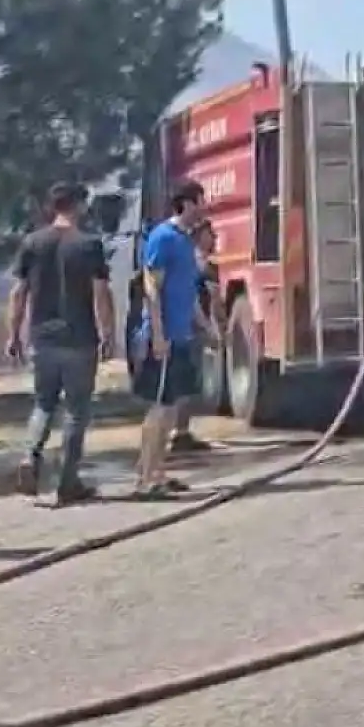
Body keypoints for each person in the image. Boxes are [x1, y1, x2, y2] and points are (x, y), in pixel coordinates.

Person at [7, 182, 114, 506]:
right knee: (77, 412)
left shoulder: (32, 243)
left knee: (43, 403)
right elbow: (101, 293)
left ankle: (30, 455)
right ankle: (68, 482)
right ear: (79, 205)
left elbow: (18, 292)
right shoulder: (89, 244)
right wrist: (108, 332)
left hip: (42, 337)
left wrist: (13, 333)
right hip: (79, 338)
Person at [131, 180, 213, 498]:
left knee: (171, 409)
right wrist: (158, 335)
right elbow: (152, 287)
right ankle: (145, 479)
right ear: (188, 203)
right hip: (162, 338)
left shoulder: (185, 242)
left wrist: (206, 327)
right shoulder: (162, 237)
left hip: (181, 336)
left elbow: (189, 293)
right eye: (201, 202)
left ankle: (158, 473)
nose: (204, 209)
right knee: (160, 409)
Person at [170, 220, 224, 454]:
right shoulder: (197, 264)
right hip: (191, 330)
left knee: (190, 385)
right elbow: (196, 300)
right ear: (199, 236)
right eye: (210, 234)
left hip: (188, 328)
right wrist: (208, 328)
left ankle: (181, 432)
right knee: (187, 385)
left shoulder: (195, 262)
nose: (214, 238)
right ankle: (178, 434)